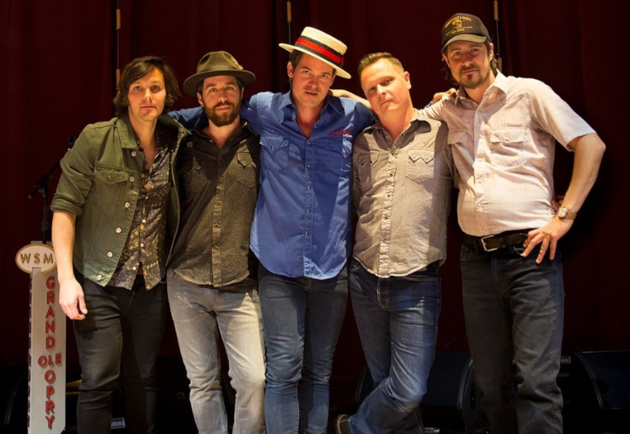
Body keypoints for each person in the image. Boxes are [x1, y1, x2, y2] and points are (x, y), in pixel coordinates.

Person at [171, 26, 373, 434]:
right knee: (282, 371)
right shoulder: (263, 109)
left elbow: (390, 111)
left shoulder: (353, 116)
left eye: (324, 75)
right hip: (278, 265)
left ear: (333, 80)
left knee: (319, 371)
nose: (314, 82)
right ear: (290, 71)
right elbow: (217, 109)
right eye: (306, 71)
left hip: (331, 266)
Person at [420, 13, 607, 433]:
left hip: (531, 256)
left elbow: (590, 144)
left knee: (536, 384)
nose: (466, 59)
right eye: (456, 53)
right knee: (489, 386)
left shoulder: (528, 93)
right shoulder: (445, 108)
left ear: (490, 52)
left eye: (473, 50)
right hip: (476, 260)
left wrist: (565, 216)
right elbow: (397, 115)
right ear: (446, 62)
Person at [51, 56, 189, 433]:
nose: (147, 96)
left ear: (167, 94)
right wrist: (66, 279)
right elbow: (64, 208)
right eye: (137, 88)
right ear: (124, 95)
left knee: (143, 379)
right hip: (99, 280)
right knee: (98, 379)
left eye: (155, 88)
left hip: (151, 284)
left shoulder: (177, 140)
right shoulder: (97, 138)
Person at [335, 53, 453, 434]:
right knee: (385, 383)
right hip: (365, 279)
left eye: (387, 81)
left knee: (407, 390)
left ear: (407, 79)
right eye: (372, 88)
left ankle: (352, 428)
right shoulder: (361, 142)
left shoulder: (444, 133)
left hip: (416, 281)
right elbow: (356, 203)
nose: (381, 92)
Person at [166, 51, 265, 434]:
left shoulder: (262, 143)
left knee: (253, 380)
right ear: (200, 98)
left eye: (229, 87)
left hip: (241, 282)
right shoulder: (181, 144)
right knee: (202, 382)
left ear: (241, 93)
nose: (221, 96)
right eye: (212, 89)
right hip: (185, 280)